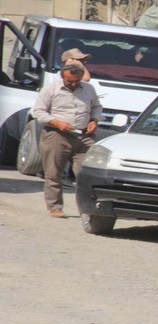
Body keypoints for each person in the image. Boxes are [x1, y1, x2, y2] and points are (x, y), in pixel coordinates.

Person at [33, 64, 103, 218]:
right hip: (57, 135)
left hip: (84, 137)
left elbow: (97, 107)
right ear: (63, 77)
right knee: (54, 172)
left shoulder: (89, 89)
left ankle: (89, 209)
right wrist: (57, 123)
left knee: (86, 173)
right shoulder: (50, 89)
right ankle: (55, 206)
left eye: (76, 81)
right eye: (69, 81)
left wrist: (94, 120)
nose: (73, 84)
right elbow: (38, 111)